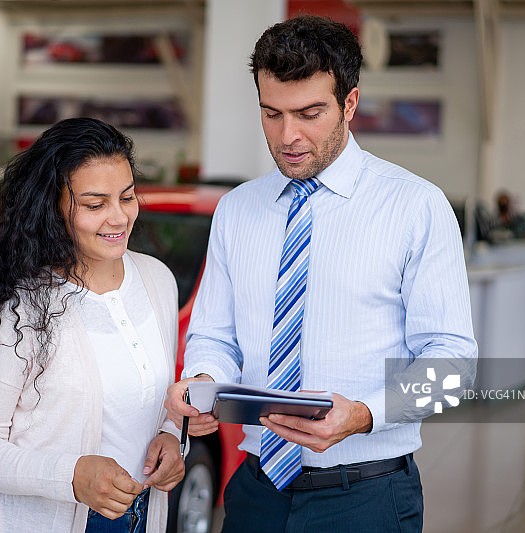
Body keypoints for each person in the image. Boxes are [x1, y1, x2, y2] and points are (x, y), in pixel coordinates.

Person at [164, 15, 477, 533]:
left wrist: (361, 415)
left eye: (309, 113)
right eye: (272, 114)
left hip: (367, 496)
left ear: (349, 104)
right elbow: (214, 336)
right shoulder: (237, 210)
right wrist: (203, 384)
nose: (288, 136)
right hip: (257, 490)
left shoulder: (415, 207)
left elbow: (455, 368)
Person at [0, 117, 184, 533]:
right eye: (95, 204)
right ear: (51, 207)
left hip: (140, 518)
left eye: (127, 197)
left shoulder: (157, 280)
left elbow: (156, 400)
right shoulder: (17, 310)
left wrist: (170, 437)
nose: (118, 218)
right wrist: (70, 476)